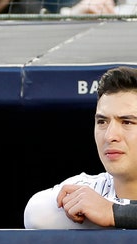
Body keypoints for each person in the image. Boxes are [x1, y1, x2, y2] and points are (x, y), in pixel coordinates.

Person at [24, 66, 137, 229]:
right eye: (102, 122)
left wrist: (114, 213)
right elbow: (34, 214)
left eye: (127, 122)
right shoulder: (87, 189)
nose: (109, 136)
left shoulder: (102, 205)